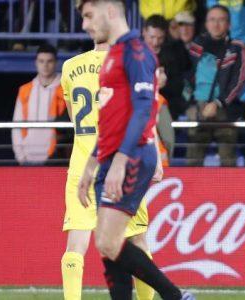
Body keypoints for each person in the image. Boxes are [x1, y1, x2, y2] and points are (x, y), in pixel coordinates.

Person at [75, 1, 192, 299]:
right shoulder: (114, 54)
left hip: (131, 155)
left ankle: (175, 296)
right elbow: (111, 117)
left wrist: (119, 161)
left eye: (89, 16)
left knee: (107, 242)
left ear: (110, 11)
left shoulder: (137, 53)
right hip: (111, 156)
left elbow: (143, 111)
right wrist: (91, 164)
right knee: (109, 247)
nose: (85, 25)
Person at [60, 38, 159, 300]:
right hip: (121, 164)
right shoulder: (130, 64)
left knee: (75, 246)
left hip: (82, 165)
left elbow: (74, 118)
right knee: (136, 240)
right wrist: (156, 157)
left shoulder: (71, 67)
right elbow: (144, 113)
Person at [185, 5, 245, 166]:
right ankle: (191, 192)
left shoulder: (237, 47)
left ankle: (230, 192)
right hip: (198, 108)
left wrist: (218, 103)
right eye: (212, 20)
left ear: (229, 24)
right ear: (206, 23)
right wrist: (189, 104)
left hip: (224, 109)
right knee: (193, 160)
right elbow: (186, 76)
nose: (216, 24)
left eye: (221, 20)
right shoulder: (196, 45)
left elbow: (239, 80)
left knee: (228, 160)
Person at [12, 44, 65, 165]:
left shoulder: (66, 89)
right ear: (36, 62)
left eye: (49, 61)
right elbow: (16, 124)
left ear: (56, 62)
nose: (45, 65)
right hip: (27, 156)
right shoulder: (25, 90)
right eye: (41, 61)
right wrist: (20, 154)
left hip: (56, 156)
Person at [143, 14, 192, 119]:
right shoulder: (134, 54)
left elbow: (179, 86)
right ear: (144, 32)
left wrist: (165, 84)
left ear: (165, 35)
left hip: (166, 106)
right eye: (152, 37)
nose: (155, 42)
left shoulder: (173, 55)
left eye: (160, 38)